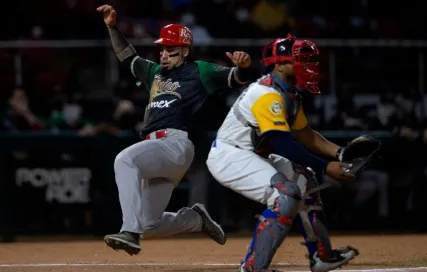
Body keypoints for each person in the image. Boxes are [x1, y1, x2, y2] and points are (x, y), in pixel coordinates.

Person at [96, 4, 253, 255]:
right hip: (157, 151)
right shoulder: (154, 72)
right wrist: (112, 27)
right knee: (149, 223)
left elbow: (236, 78)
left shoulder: (199, 69)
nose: (164, 54)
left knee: (124, 160)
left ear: (185, 50)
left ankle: (129, 232)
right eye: (162, 48)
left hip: (175, 143)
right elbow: (127, 55)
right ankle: (195, 220)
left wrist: (243, 66)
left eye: (171, 49)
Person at [206, 34, 359, 272]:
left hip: (253, 154)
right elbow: (281, 143)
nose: (305, 65)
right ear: (278, 64)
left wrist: (340, 153)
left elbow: (305, 134)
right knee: (285, 194)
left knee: (305, 179)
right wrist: (327, 166)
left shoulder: (288, 92)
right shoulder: (267, 94)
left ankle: (322, 256)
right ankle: (253, 268)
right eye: (297, 60)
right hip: (229, 155)